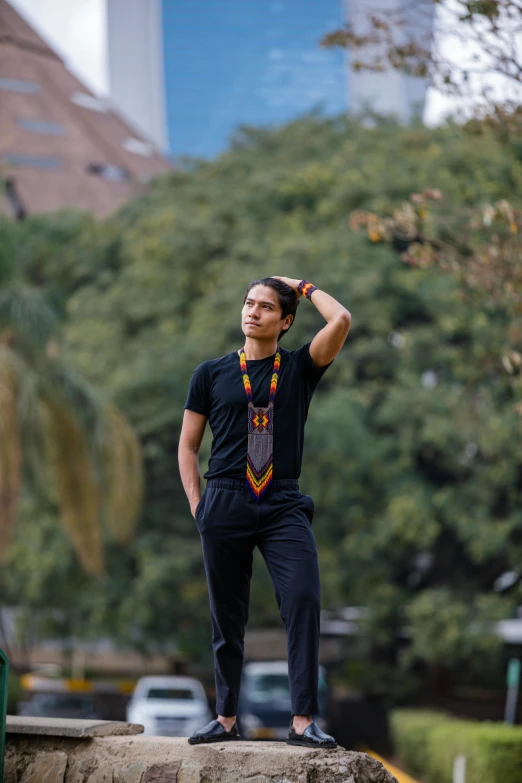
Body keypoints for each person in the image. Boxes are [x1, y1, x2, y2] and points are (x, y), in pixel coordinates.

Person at [178, 276, 351, 748]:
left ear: (286, 321)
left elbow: (341, 320)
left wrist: (303, 284)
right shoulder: (210, 373)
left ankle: (302, 722)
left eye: (266, 307)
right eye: (248, 303)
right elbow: (188, 446)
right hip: (225, 499)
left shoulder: (300, 367)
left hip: (282, 503)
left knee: (303, 599)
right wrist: (200, 508)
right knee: (227, 614)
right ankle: (226, 718)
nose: (252, 312)